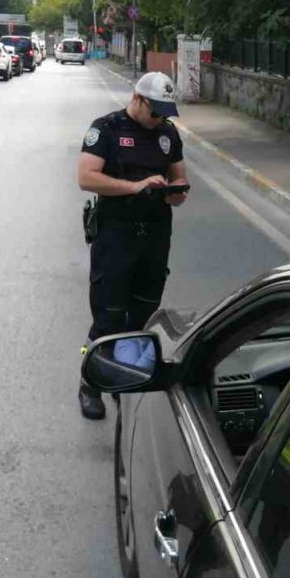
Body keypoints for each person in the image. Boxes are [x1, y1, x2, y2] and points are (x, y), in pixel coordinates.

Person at [75, 71, 188, 420]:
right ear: (138, 99)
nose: (160, 119)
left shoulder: (167, 134)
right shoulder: (106, 129)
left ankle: (124, 377)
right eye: (156, 111)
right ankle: (90, 383)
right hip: (116, 236)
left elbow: (179, 176)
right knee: (108, 316)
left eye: (165, 113)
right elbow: (86, 177)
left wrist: (175, 192)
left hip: (155, 236)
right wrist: (136, 187)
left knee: (142, 313)